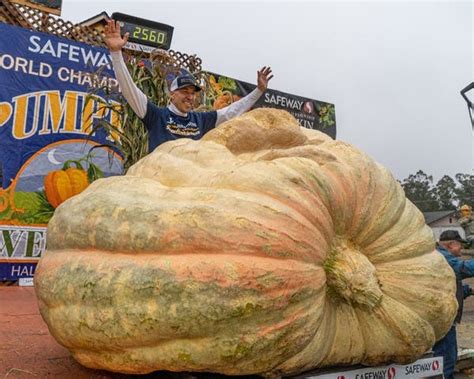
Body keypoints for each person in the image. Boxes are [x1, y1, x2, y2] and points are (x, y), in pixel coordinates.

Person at [104, 19, 274, 152]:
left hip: (187, 190)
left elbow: (232, 112)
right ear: (172, 94)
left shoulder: (201, 120)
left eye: (193, 93)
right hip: (159, 188)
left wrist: (258, 91)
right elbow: (129, 90)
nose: (190, 96)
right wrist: (116, 53)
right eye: (184, 91)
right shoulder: (156, 116)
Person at [433, 230, 474, 379]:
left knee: (448, 357)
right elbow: (462, 269)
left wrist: (469, 290)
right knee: (445, 360)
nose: (461, 250)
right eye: (459, 246)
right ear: (451, 244)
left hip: (445, 318)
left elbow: (449, 286)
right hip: (442, 319)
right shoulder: (441, 256)